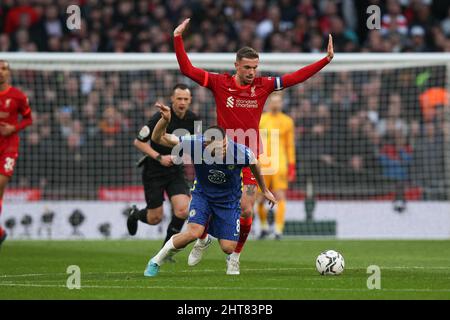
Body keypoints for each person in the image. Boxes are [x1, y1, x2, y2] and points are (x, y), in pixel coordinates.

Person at [173, 18, 333, 274]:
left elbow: (294, 78)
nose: (251, 72)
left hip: (249, 155)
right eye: (247, 67)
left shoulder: (263, 86)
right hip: (220, 152)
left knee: (246, 209)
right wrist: (178, 39)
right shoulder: (219, 82)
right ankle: (203, 238)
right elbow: (187, 70)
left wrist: (324, 61)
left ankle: (235, 256)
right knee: (215, 200)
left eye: (255, 67)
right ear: (236, 65)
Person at [143, 102, 276, 276]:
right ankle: (155, 261)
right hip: (203, 196)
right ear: (206, 145)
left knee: (228, 248)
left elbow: (255, 164)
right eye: (217, 148)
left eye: (223, 146)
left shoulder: (239, 151)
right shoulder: (195, 144)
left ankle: (210, 238)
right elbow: (158, 138)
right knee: (192, 233)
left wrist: (264, 189)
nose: (221, 150)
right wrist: (164, 121)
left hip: (228, 201)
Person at [127, 84, 200, 248]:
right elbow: (138, 142)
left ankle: (166, 248)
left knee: (183, 210)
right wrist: (160, 157)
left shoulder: (195, 119)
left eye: (185, 99)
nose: (182, 102)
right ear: (172, 99)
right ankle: (135, 214)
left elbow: (196, 144)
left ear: (190, 101)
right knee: (155, 218)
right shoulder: (160, 117)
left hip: (175, 170)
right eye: (179, 98)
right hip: (154, 170)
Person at [0, 60, 33, 248]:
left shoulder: (17, 96)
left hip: (9, 148)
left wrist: (14, 127)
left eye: (4, 69)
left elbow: (28, 119)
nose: (1, 72)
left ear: (8, 73)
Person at [256, 92, 296, 240]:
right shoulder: (261, 119)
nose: (275, 104)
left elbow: (290, 145)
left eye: (278, 102)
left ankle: (278, 230)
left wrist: (292, 165)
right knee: (259, 198)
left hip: (280, 164)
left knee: (280, 196)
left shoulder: (287, 121)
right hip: (263, 164)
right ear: (269, 103)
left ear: (282, 104)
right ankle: (264, 227)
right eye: (273, 101)